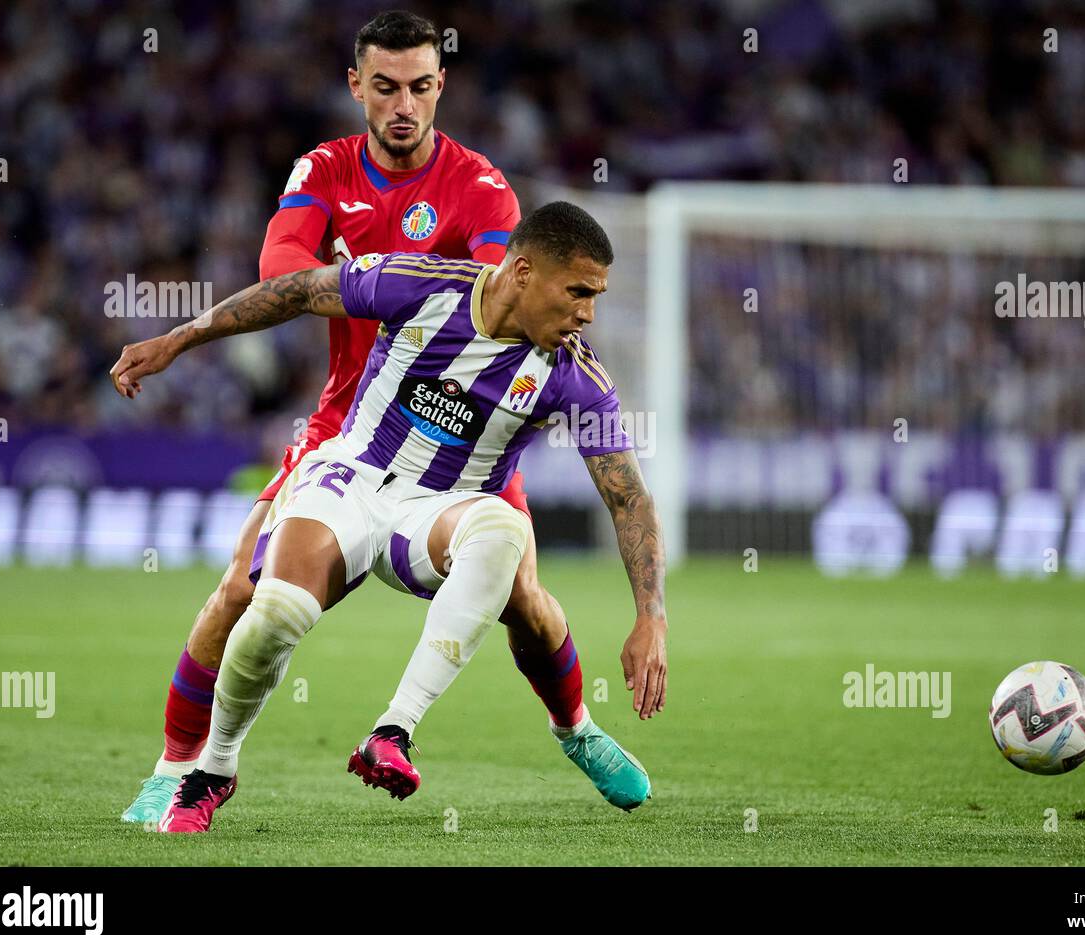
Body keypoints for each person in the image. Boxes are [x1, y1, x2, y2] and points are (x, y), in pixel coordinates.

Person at [118, 10, 568, 824]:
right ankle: (173, 771)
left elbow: (503, 294)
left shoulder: (481, 186)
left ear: (442, 86)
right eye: (387, 87)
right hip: (346, 431)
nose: (405, 105)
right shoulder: (323, 169)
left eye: (421, 87)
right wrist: (379, 277)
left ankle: (577, 727)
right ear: (356, 86)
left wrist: (401, 282)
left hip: (461, 440)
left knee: (528, 602)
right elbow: (282, 268)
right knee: (238, 594)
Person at [112, 202, 668, 832]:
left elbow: (629, 498)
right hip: (353, 476)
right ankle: (211, 770)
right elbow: (295, 290)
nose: (587, 313)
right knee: (273, 609)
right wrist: (177, 339)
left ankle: (399, 732)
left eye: (595, 297)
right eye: (578, 292)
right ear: (522, 271)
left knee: (506, 538)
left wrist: (651, 616)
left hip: (438, 515)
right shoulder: (421, 286)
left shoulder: (574, 374)